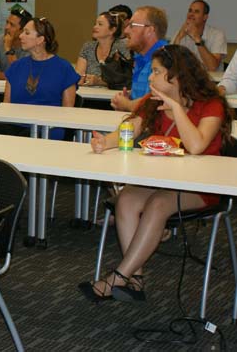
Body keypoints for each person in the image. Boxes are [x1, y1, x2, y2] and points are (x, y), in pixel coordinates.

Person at [79, 44, 232, 303]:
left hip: (203, 186)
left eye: (157, 71)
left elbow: (196, 146)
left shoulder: (211, 104)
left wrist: (177, 107)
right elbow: (130, 129)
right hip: (165, 181)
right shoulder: (152, 101)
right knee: (126, 199)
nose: (150, 77)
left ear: (177, 76)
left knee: (158, 204)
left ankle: (118, 277)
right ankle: (135, 279)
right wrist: (106, 142)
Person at [3, 17, 80, 140]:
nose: (21, 36)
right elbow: (6, 106)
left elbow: (67, 112)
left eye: (27, 33)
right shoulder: (16, 67)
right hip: (15, 127)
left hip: (49, 129)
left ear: (40, 39)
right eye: (22, 32)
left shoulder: (64, 68)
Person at [110, 6, 169, 112]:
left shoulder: (165, 59)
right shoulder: (142, 59)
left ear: (149, 30)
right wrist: (130, 97)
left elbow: (155, 103)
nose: (126, 30)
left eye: (132, 25)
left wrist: (127, 104)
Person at [75, 11, 130, 86]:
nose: (95, 27)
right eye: (95, 24)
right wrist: (81, 79)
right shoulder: (88, 47)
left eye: (100, 24)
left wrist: (100, 82)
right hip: (88, 94)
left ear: (112, 30)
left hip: (114, 95)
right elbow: (79, 75)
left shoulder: (122, 47)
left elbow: (126, 80)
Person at [170, 0, 226, 71]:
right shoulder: (180, 32)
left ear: (205, 17)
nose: (191, 14)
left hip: (210, 80)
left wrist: (197, 38)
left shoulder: (218, 35)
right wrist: (179, 37)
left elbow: (212, 67)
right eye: (190, 11)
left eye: (196, 12)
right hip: (186, 79)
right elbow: (170, 62)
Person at [0, 8, 32, 80]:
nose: (6, 27)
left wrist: (8, 48)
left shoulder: (31, 45)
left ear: (23, 30)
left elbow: (20, 73)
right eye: (7, 22)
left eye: (12, 25)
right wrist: (10, 76)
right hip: (3, 87)